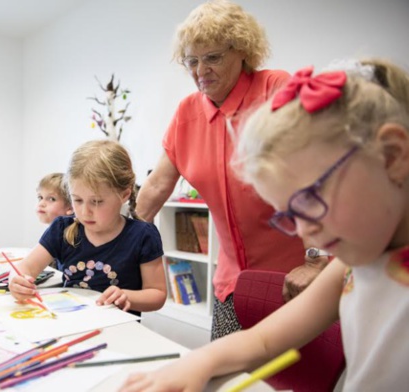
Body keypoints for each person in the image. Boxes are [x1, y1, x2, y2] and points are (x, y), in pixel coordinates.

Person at [119, 60, 409, 391]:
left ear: (391, 155)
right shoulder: (351, 265)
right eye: (289, 214)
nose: (303, 233)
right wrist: (198, 362)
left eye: (310, 201)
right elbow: (264, 341)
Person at [135, 0, 325, 340]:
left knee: (289, 380)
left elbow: (317, 177)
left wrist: (315, 261)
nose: (200, 70)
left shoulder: (275, 90)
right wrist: (121, 240)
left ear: (242, 51)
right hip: (232, 281)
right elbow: (156, 186)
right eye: (191, 61)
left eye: (213, 57)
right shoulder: (187, 112)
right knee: (226, 376)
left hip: (295, 274)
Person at [9, 140, 167, 313]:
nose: (85, 211)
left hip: (119, 328)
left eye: (97, 201)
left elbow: (157, 294)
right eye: (77, 200)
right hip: (70, 322)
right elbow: (27, 268)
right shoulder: (62, 229)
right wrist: (16, 280)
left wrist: (127, 296)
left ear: (124, 195)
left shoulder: (143, 236)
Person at [36, 172, 73, 269]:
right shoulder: (52, 233)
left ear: (70, 207)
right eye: (40, 197)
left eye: (51, 199)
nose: (41, 204)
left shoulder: (69, 236)